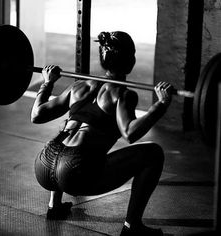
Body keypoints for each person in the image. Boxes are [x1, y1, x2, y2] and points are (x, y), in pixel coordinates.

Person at [31, 31, 173, 236]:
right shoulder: (123, 94)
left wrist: (47, 82)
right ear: (131, 61)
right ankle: (133, 226)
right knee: (153, 153)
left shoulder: (78, 85)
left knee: (67, 131)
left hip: (44, 164)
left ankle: (55, 206)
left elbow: (37, 115)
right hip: (74, 172)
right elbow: (130, 133)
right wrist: (160, 105)